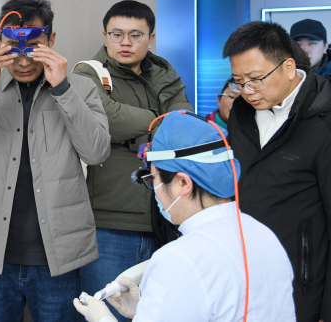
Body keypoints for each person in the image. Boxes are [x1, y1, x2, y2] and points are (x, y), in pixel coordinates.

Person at [0, 0, 111, 322]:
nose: (23, 61)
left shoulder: (81, 89)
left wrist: (62, 88)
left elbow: (96, 153)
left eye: (33, 48)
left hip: (59, 260)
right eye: (13, 47)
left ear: (51, 39)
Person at [73, 111, 296, 322]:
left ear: (183, 183)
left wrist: (102, 318)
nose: (154, 191)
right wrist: (145, 311)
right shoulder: (264, 235)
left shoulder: (179, 259)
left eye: (153, 180)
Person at [223, 21, 331, 322]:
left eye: (255, 79)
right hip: (249, 288)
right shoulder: (242, 114)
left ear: (289, 67)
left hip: (305, 295)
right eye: (238, 82)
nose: (247, 91)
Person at [72, 0, 192, 319]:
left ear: (150, 38)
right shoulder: (88, 72)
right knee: (104, 314)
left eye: (135, 35)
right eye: (117, 34)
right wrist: (157, 120)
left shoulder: (164, 73)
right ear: (105, 36)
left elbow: (182, 126)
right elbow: (107, 118)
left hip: (164, 220)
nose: (125, 42)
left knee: (157, 315)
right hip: (109, 223)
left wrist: (134, 131)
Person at [290, 19, 331, 86]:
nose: (304, 50)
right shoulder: (283, 75)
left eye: (312, 43)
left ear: (325, 46)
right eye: (298, 44)